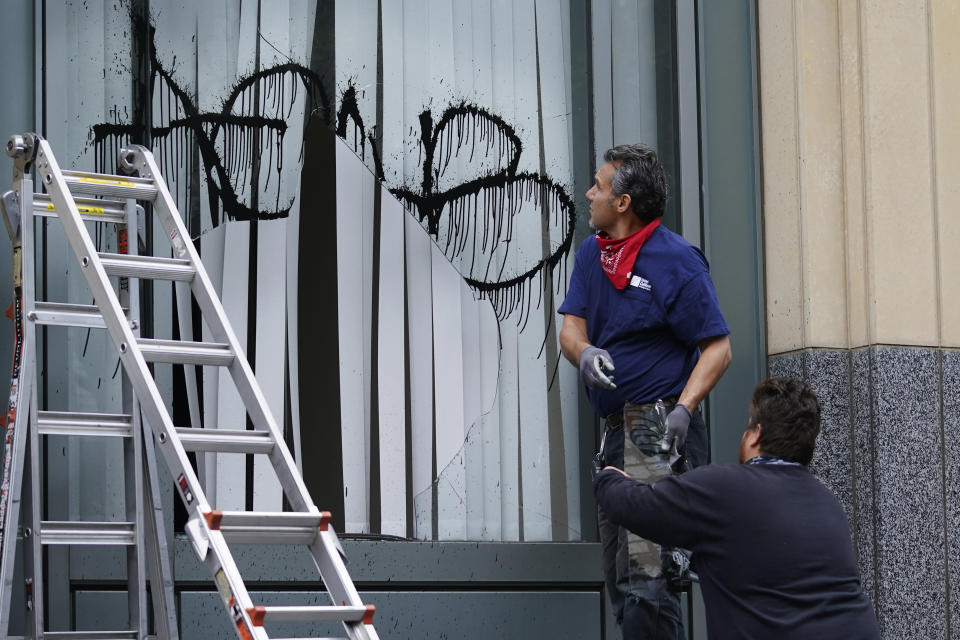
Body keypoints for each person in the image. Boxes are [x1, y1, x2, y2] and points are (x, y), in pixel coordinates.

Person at [558, 143, 732, 638]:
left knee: (645, 584)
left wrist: (684, 409)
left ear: (623, 202)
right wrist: (584, 353)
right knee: (625, 582)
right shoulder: (592, 254)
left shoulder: (677, 260)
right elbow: (571, 332)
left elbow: (718, 349)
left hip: (656, 430)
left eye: (598, 184)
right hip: (616, 435)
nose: (588, 192)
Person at [593, 377, 881, 640]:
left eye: (747, 425)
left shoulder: (725, 488)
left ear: (756, 434)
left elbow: (637, 507)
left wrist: (608, 476)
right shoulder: (827, 502)